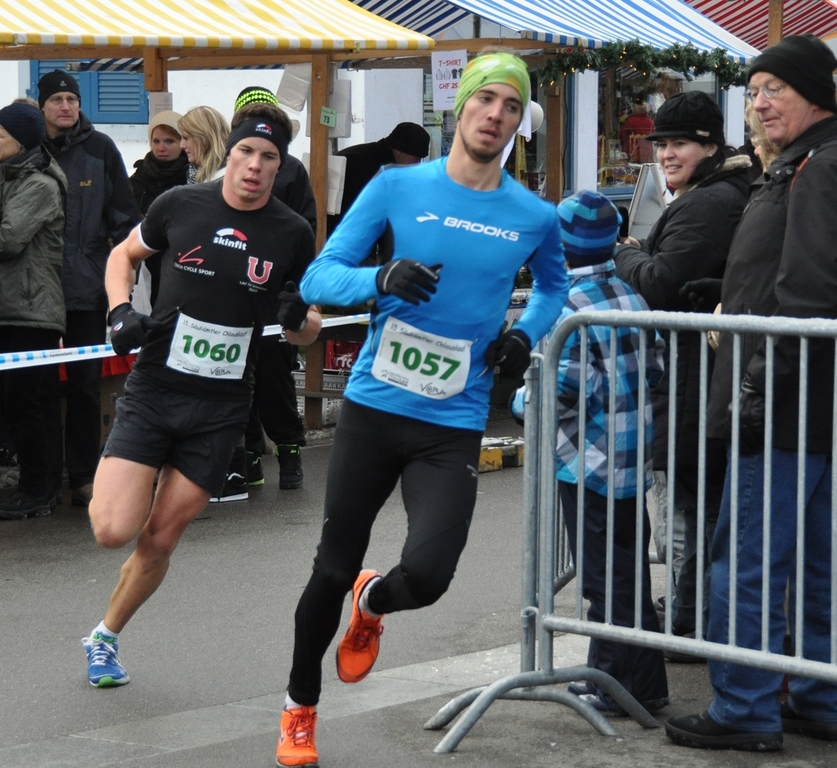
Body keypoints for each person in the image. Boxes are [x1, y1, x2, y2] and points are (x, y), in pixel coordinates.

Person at [274, 50, 569, 767]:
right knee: (329, 564)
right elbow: (320, 274)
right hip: (374, 409)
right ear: (460, 108)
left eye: (508, 105)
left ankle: (372, 604)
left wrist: (523, 336)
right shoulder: (396, 186)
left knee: (431, 577)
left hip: (453, 420)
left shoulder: (533, 215)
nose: (494, 114)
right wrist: (381, 277)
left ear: (516, 124)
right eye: (484, 99)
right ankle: (298, 707)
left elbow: (556, 289)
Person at [80, 104, 319, 687]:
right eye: (246, 153)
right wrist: (118, 313)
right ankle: (131, 483)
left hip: (221, 409)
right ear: (228, 154)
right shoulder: (180, 206)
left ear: (279, 166)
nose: (255, 166)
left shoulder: (291, 233)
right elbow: (122, 257)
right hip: (157, 388)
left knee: (160, 537)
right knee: (113, 529)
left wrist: (298, 320)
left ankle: (104, 638)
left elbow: (308, 329)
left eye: (269, 157)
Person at [666, 34, 837, 751]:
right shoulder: (805, 163)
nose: (760, 103)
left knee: (746, 557)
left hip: (780, 400)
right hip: (807, 401)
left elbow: (806, 290)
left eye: (775, 89)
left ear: (813, 95)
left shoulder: (815, 170)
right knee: (811, 561)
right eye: (754, 90)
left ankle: (743, 705)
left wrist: (756, 384)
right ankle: (816, 695)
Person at [512, 191, 668, 715]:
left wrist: (519, 398)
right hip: (630, 461)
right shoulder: (628, 294)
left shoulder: (567, 308)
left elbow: (563, 391)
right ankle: (619, 677)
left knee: (605, 581)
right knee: (628, 572)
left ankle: (630, 688)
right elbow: (657, 369)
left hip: (589, 463)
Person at [614, 91, 751, 653]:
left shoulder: (706, 203)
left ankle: (691, 618)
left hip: (699, 382)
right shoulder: (719, 192)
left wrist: (625, 253)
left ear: (710, 146)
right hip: (705, 380)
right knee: (702, 510)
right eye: (662, 144)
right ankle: (694, 613)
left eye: (680, 144)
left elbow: (659, 283)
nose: (667, 154)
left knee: (697, 512)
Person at [38, 70, 141, 509]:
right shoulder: (28, 148)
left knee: (83, 384)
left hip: (87, 286)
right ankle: (38, 478)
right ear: (41, 105)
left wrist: (110, 268)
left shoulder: (101, 149)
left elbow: (125, 217)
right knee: (34, 383)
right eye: (57, 99)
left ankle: (82, 477)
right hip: (35, 291)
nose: (66, 106)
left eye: (72, 99)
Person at [217, 87, 318, 498]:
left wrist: (293, 293)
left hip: (274, 294)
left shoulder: (291, 170)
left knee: (276, 381)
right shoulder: (227, 171)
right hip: (236, 299)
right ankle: (250, 458)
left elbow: (304, 226)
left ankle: (290, 453)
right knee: (241, 381)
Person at [0, 103, 67, 520]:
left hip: (32, 308)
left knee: (27, 401)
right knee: (23, 401)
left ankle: (37, 489)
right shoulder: (10, 177)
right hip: (10, 308)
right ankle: (39, 486)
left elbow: (8, 239)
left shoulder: (40, 184)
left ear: (20, 142)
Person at [326, 120, 430, 235]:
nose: (418, 163)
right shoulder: (362, 164)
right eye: (416, 158)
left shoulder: (384, 164)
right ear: (400, 152)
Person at [129, 110, 190, 307]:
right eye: (156, 141)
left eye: (169, 141)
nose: (161, 147)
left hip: (180, 268)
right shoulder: (137, 180)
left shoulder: (192, 179)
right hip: (143, 268)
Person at [177, 105, 229, 184]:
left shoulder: (229, 180)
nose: (181, 145)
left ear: (204, 138)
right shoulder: (191, 174)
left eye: (186, 138)